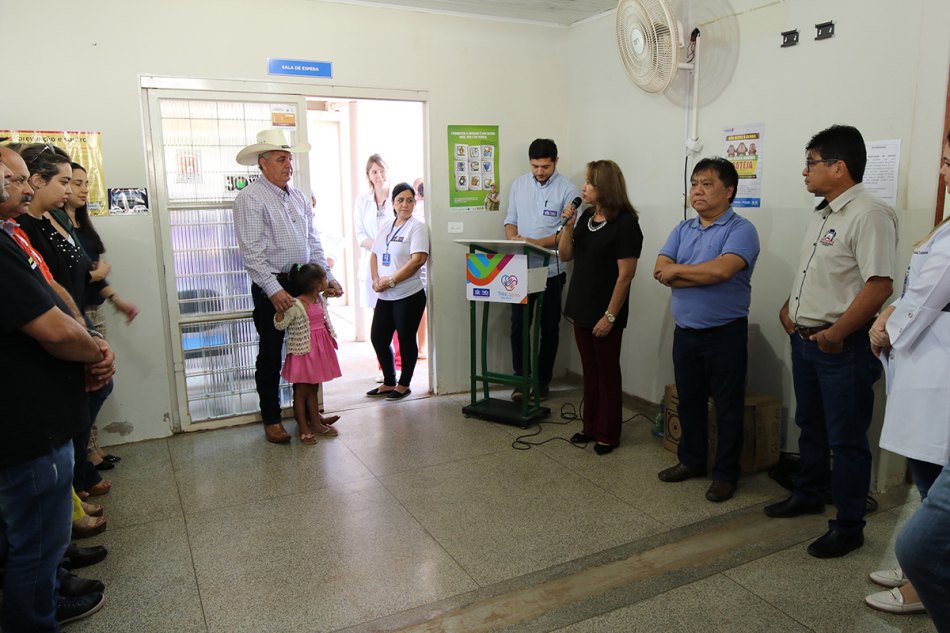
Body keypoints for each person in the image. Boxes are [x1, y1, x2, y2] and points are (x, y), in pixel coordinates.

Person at [767, 124, 898, 559]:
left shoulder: (868, 214)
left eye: (811, 163)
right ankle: (808, 492)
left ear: (838, 167)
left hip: (841, 347)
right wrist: (790, 309)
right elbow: (819, 274)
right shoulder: (824, 213)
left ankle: (848, 523)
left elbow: (879, 285)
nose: (805, 172)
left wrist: (837, 333)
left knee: (845, 438)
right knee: (812, 425)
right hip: (807, 342)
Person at [1, 148, 113, 629]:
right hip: (24, 423)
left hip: (41, 410)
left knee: (40, 540)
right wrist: (93, 350)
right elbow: (46, 325)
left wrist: (88, 338)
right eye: (16, 178)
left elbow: (51, 289)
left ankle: (49, 592)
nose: (25, 189)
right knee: (34, 543)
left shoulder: (13, 235)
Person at [865, 131, 950, 622]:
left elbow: (927, 296)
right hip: (919, 364)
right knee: (926, 477)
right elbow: (914, 287)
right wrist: (893, 314)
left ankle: (925, 577)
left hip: (934, 367)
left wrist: (886, 326)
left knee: (935, 480)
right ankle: (921, 569)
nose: (941, 171)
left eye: (946, 162)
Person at [654, 158, 760, 503]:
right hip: (685, 333)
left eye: (707, 184)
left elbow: (721, 272)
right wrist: (687, 271)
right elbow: (659, 267)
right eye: (694, 183)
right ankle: (692, 461)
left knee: (728, 408)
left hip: (724, 334)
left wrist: (679, 273)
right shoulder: (683, 229)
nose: (697, 191)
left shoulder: (741, 230)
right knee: (690, 403)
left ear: (729, 191)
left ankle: (726, 475)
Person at [233, 129, 342, 444]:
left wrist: (327, 279)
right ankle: (271, 419)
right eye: (281, 159)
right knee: (270, 354)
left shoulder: (297, 197)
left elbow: (313, 241)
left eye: (290, 159)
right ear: (263, 163)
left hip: (304, 285)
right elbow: (252, 253)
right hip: (274, 287)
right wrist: (273, 289)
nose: (288, 165)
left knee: (306, 352)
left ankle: (308, 416)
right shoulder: (250, 198)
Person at [18, 143, 113, 498]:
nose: (72, 189)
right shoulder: (21, 228)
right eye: (64, 181)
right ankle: (75, 484)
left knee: (88, 399)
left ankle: (76, 479)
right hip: (52, 333)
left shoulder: (55, 218)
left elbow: (58, 282)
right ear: (38, 181)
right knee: (67, 414)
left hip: (76, 320)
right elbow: (44, 289)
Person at [558, 160, 642, 455]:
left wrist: (610, 316)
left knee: (607, 371)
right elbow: (566, 254)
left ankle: (608, 432)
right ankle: (590, 426)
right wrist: (569, 225)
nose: (584, 188)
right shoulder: (586, 218)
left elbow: (626, 275)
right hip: (581, 306)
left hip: (606, 311)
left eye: (589, 183)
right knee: (589, 370)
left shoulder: (626, 224)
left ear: (605, 187)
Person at [63, 161, 138, 469]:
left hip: (94, 308)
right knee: (92, 382)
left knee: (97, 379)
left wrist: (116, 299)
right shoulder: (51, 226)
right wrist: (94, 276)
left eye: (83, 183)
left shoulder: (80, 223)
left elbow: (94, 271)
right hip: (75, 310)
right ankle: (84, 453)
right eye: (74, 183)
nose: (81, 189)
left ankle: (91, 447)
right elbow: (67, 276)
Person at [504, 138, 579, 401]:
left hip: (551, 270)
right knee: (518, 326)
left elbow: (565, 235)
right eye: (535, 166)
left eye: (545, 166)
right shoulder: (519, 185)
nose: (539, 171)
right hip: (520, 268)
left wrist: (535, 243)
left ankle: (542, 380)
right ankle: (521, 379)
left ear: (555, 161)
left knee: (549, 328)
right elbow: (510, 222)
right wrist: (514, 238)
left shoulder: (568, 190)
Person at [365, 182, 429, 400]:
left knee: (405, 338)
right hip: (385, 294)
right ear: (393, 202)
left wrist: (390, 280)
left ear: (414, 203)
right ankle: (389, 380)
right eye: (400, 200)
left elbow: (417, 260)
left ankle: (404, 384)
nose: (405, 204)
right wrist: (375, 279)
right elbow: (374, 254)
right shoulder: (386, 226)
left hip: (408, 295)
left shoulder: (417, 227)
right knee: (378, 337)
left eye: (410, 200)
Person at [274, 263, 342, 443]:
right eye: (325, 278)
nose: (328, 280)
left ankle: (316, 424)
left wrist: (327, 295)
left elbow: (322, 313)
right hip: (303, 353)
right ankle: (303, 428)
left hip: (318, 351)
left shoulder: (318, 299)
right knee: (302, 391)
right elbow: (280, 324)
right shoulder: (297, 304)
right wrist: (280, 312)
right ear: (317, 284)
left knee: (313, 388)